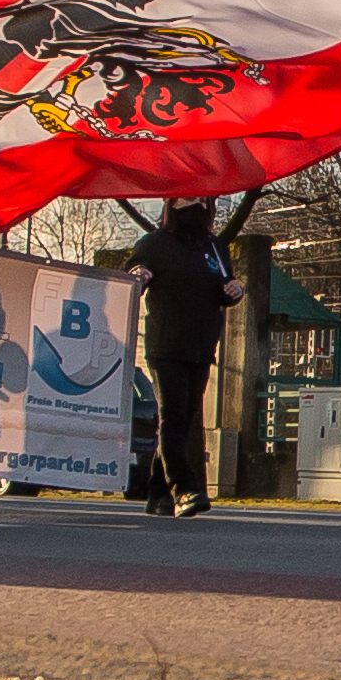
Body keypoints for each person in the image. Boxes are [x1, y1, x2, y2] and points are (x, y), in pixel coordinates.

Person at [127, 197, 250, 517]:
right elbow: (135, 270)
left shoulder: (215, 248)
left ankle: (157, 493)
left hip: (202, 345)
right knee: (172, 415)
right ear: (172, 204)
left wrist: (234, 291)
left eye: (200, 199)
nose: (192, 204)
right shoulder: (154, 243)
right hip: (166, 346)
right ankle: (184, 488)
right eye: (185, 197)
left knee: (184, 419)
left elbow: (225, 286)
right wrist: (138, 274)